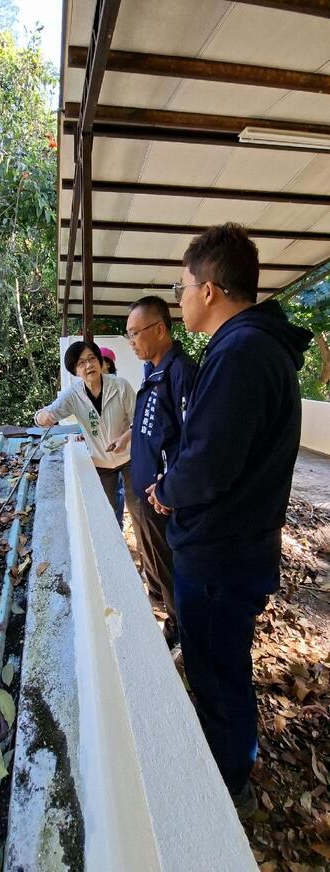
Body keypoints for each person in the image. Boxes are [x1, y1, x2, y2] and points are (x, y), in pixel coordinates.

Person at [146, 223, 312, 817]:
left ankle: (227, 782)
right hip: (239, 544)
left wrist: (167, 491)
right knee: (221, 662)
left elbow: (209, 463)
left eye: (182, 286)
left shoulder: (240, 352)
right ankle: (230, 760)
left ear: (210, 289)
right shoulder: (250, 347)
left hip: (219, 551)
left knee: (217, 671)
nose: (180, 296)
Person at [112, 296, 196, 648]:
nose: (131, 341)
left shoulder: (181, 373)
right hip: (146, 492)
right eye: (128, 334)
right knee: (154, 558)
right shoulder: (152, 370)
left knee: (170, 563)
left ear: (160, 329)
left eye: (135, 333)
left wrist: (169, 488)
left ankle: (182, 627)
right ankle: (168, 610)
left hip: (164, 498)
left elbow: (193, 440)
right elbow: (155, 424)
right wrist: (130, 434)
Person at [34, 340, 140, 528]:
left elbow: (138, 420)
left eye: (92, 359)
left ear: (100, 362)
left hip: (130, 457)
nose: (88, 365)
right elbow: (47, 413)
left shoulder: (120, 386)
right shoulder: (72, 395)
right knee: (105, 512)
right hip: (100, 463)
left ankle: (146, 553)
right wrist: (42, 417)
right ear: (75, 371)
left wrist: (125, 439)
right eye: (81, 363)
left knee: (139, 510)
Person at [99, 346, 124, 526]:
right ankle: (114, 525)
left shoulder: (118, 386)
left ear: (107, 364)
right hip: (101, 451)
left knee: (118, 491)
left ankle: (117, 526)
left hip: (120, 449)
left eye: (95, 360)